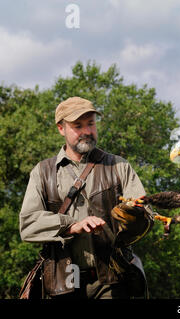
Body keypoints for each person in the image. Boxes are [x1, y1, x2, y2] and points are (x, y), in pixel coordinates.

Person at [19, 96, 148, 299]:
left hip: (112, 279)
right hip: (63, 280)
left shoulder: (119, 167)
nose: (87, 131)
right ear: (61, 128)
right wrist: (71, 225)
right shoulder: (42, 172)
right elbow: (28, 224)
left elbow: (145, 219)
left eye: (91, 124)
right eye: (78, 125)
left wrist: (133, 214)